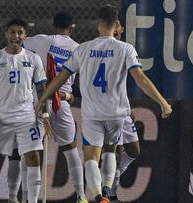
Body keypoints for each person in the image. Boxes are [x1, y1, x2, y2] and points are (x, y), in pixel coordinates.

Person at [35, 4, 172, 203]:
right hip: (116, 112)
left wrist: (42, 99)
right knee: (110, 149)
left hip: (92, 113)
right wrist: (162, 102)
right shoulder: (125, 48)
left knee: (91, 156)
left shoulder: (83, 48)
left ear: (97, 24)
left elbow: (60, 78)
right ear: (116, 24)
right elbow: (140, 78)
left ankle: (98, 196)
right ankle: (107, 191)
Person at [0, 18, 51, 203]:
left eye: (20, 32)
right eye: (12, 32)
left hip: (26, 117)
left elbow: (42, 90)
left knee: (33, 158)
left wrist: (46, 116)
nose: (16, 36)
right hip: (2, 118)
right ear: (6, 34)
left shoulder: (33, 59)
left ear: (25, 36)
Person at [23, 11, 87, 203]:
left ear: (54, 25)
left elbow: (22, 42)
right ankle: (81, 196)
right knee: (70, 149)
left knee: (31, 150)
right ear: (72, 27)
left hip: (38, 101)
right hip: (62, 102)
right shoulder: (78, 48)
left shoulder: (39, 40)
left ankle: (27, 198)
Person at [106, 18, 141, 201]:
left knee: (134, 151)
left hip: (122, 106)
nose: (114, 27)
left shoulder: (125, 48)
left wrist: (128, 105)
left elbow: (119, 84)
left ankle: (110, 177)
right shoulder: (101, 49)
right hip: (110, 109)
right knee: (116, 153)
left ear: (120, 28)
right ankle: (111, 196)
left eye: (116, 24)